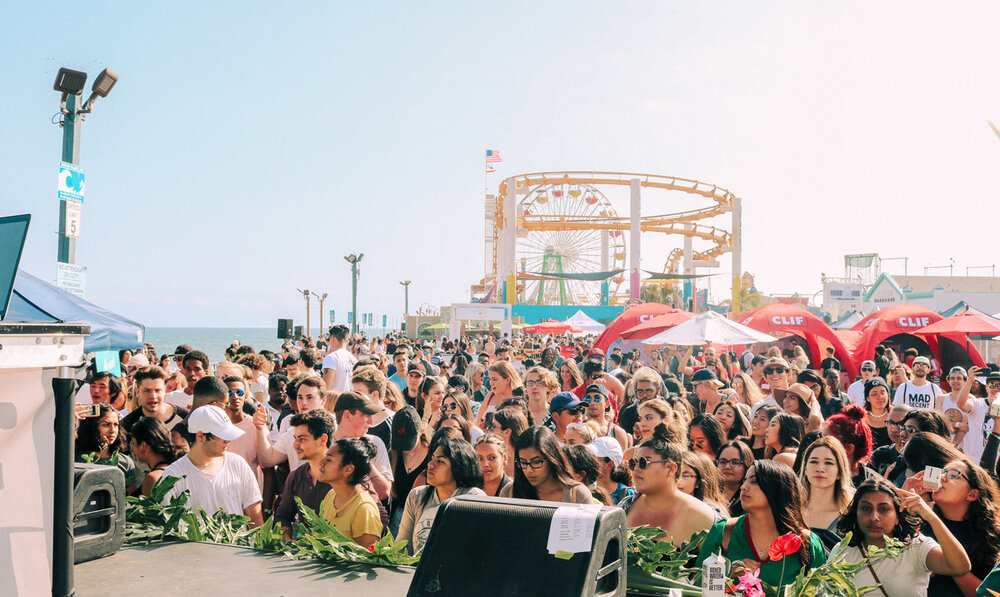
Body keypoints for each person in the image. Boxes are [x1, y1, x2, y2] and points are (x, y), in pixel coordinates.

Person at [697, 460, 827, 587]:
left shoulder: (807, 542)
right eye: (744, 481)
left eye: (753, 481)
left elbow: (822, 591)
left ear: (777, 490)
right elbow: (695, 583)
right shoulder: (724, 531)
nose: (743, 487)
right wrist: (726, 572)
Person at [835, 478, 971, 597]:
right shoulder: (842, 551)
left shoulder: (916, 547)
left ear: (897, 517)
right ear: (856, 514)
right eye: (865, 508)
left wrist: (930, 517)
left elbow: (960, 567)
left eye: (883, 509)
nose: (874, 517)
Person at [160, 405, 263, 527]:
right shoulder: (172, 476)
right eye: (221, 435)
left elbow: (255, 519)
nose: (228, 440)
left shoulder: (238, 464)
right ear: (200, 436)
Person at [619, 426, 718, 544]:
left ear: (671, 468)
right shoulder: (627, 505)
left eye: (643, 462)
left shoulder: (703, 515)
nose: (636, 469)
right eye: (633, 463)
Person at [926, 459, 1000, 596]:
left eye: (953, 475)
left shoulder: (991, 537)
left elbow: (988, 593)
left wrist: (949, 562)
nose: (941, 477)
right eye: (943, 472)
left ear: (972, 494)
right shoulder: (921, 525)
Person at [398, 437, 485, 554]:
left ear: (459, 467)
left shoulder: (473, 499)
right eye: (432, 458)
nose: (430, 464)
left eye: (440, 461)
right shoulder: (417, 495)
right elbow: (402, 547)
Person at [274, 409, 336, 540]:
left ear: (323, 439)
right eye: (295, 439)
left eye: (302, 439)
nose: (295, 445)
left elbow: (377, 514)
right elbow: (283, 516)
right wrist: (287, 539)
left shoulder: (344, 474)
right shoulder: (295, 476)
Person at [317, 437, 384, 548]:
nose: (321, 462)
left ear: (348, 469)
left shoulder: (364, 509)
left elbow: (368, 560)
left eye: (329, 459)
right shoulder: (331, 495)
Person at [500, 426, 593, 504]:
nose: (529, 470)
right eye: (523, 463)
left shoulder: (578, 495)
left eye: (536, 462)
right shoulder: (509, 491)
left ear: (552, 458)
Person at [799, 435, 854, 550]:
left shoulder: (851, 514)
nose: (820, 468)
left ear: (839, 471)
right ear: (805, 469)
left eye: (828, 463)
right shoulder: (791, 511)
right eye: (814, 461)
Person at [75, 403, 138, 490]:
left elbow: (129, 497)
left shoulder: (125, 462)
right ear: (92, 427)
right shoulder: (75, 458)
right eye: (106, 424)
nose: (113, 430)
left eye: (116, 425)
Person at [121, 366, 188, 435]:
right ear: (137, 392)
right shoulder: (126, 425)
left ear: (164, 390)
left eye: (157, 390)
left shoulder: (186, 417)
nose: (153, 396)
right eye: (147, 391)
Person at [825, 404, 878, 488]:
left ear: (848, 449)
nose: (818, 443)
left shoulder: (873, 486)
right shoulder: (815, 476)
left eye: (826, 440)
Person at [130, 416, 184, 497]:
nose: (133, 449)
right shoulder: (179, 468)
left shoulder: (152, 479)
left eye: (133, 443)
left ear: (143, 446)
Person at [950, 366, 993, 463]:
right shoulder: (978, 403)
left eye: (999, 385)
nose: (995, 388)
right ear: (986, 387)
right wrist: (970, 380)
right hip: (976, 462)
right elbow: (961, 404)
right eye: (992, 384)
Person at [678, 451, 728, 517]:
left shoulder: (712, 511)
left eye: (686, 475)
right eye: (676, 474)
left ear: (699, 481)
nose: (678, 480)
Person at [582, 384, 630, 451]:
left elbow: (623, 460)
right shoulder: (577, 428)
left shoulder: (617, 432)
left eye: (597, 398)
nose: (592, 403)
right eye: (588, 399)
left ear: (607, 404)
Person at [588, 436, 633, 505]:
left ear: (610, 464)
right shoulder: (584, 489)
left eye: (594, 459)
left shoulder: (628, 494)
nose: (589, 462)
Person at [870, 404, 913, 476]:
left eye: (900, 424)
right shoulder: (880, 454)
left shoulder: (920, 457)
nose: (894, 429)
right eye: (890, 423)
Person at [717, 439, 753, 516]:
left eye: (735, 462)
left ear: (747, 465)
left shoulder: (752, 497)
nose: (727, 466)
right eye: (722, 462)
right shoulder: (708, 492)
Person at [321, 325, 357, 393]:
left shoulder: (331, 358)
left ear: (333, 338)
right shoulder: (354, 359)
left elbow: (325, 387)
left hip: (334, 401)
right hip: (350, 399)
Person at [861, 377, 892, 449]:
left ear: (888, 394)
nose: (880, 397)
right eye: (874, 394)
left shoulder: (896, 415)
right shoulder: (861, 419)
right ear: (868, 398)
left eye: (883, 393)